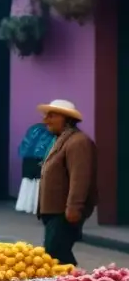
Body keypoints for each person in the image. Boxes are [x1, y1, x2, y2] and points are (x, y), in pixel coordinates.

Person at [37, 99, 97, 266]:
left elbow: (80, 177)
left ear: (67, 118)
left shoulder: (78, 142)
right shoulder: (63, 139)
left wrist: (74, 207)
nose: (45, 120)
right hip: (55, 211)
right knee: (55, 253)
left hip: (64, 212)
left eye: (52, 116)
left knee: (55, 253)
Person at [15, 121, 54, 215]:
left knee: (28, 182)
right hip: (41, 158)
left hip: (28, 158)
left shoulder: (34, 128)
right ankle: (37, 206)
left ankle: (25, 205)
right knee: (39, 183)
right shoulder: (50, 132)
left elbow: (25, 144)